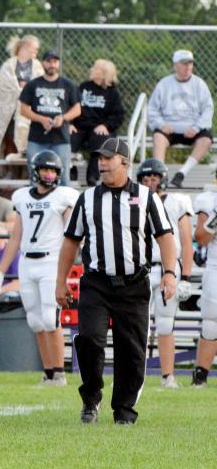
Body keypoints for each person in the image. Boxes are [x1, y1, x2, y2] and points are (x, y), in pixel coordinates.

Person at [57, 138, 177, 425]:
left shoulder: (147, 197)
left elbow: (165, 237)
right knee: (89, 340)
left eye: (108, 158)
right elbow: (71, 242)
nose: (102, 163)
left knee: (132, 350)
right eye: (99, 158)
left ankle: (124, 411)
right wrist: (60, 282)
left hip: (134, 285)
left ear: (125, 162)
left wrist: (170, 273)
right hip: (96, 283)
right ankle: (91, 397)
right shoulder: (86, 198)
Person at [0, 151, 78, 386]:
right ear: (35, 171)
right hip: (27, 262)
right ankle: (48, 372)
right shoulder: (22, 197)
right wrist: (0, 271)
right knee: (35, 321)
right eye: (46, 169)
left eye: (53, 170)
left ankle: (59, 373)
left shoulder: (64, 197)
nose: (49, 174)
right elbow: (16, 237)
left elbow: (73, 233)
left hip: (51, 261)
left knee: (50, 318)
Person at [134, 159, 193, 387]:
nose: (150, 183)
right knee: (134, 323)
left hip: (168, 267)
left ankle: (168, 376)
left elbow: (186, 243)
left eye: (154, 178)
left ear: (163, 179)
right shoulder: (135, 201)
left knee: (166, 324)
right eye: (146, 179)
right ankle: (130, 374)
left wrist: (185, 276)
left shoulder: (177, 201)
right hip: (141, 267)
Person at [149, 49, 214, 188]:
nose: (188, 67)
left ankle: (181, 174)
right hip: (169, 128)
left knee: (206, 139)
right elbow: (152, 109)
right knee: (158, 138)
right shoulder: (164, 84)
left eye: (190, 63)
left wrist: (196, 128)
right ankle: (161, 176)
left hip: (192, 129)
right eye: (184, 63)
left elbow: (208, 109)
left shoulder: (199, 84)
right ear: (175, 65)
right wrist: (161, 125)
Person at [19, 50, 80, 186]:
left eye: (55, 61)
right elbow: (23, 110)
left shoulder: (68, 84)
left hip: (61, 138)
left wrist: (63, 118)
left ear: (58, 63)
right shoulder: (33, 85)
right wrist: (41, 119)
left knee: (63, 177)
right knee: (35, 175)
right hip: (37, 138)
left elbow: (77, 109)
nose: (52, 64)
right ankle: (36, 205)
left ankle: (65, 206)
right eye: (49, 61)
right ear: (43, 63)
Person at [71, 59, 125, 187]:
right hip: (80, 125)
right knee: (68, 138)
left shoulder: (112, 92)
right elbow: (72, 105)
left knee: (100, 140)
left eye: (95, 68)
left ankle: (92, 176)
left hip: (99, 127)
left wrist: (106, 125)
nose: (91, 69)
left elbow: (119, 115)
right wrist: (69, 123)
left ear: (104, 73)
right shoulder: (84, 87)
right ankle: (71, 174)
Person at [0, 35, 43, 159]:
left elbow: (40, 86)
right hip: (9, 111)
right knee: (8, 140)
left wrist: (25, 88)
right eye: (35, 49)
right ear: (26, 47)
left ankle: (23, 171)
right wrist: (21, 88)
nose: (36, 52)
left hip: (29, 112)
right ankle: (6, 169)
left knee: (25, 139)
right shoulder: (8, 66)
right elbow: (3, 87)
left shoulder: (37, 66)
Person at [192, 170, 217, 386]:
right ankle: (200, 377)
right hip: (215, 266)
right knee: (211, 323)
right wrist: (215, 218)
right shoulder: (209, 201)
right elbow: (200, 238)